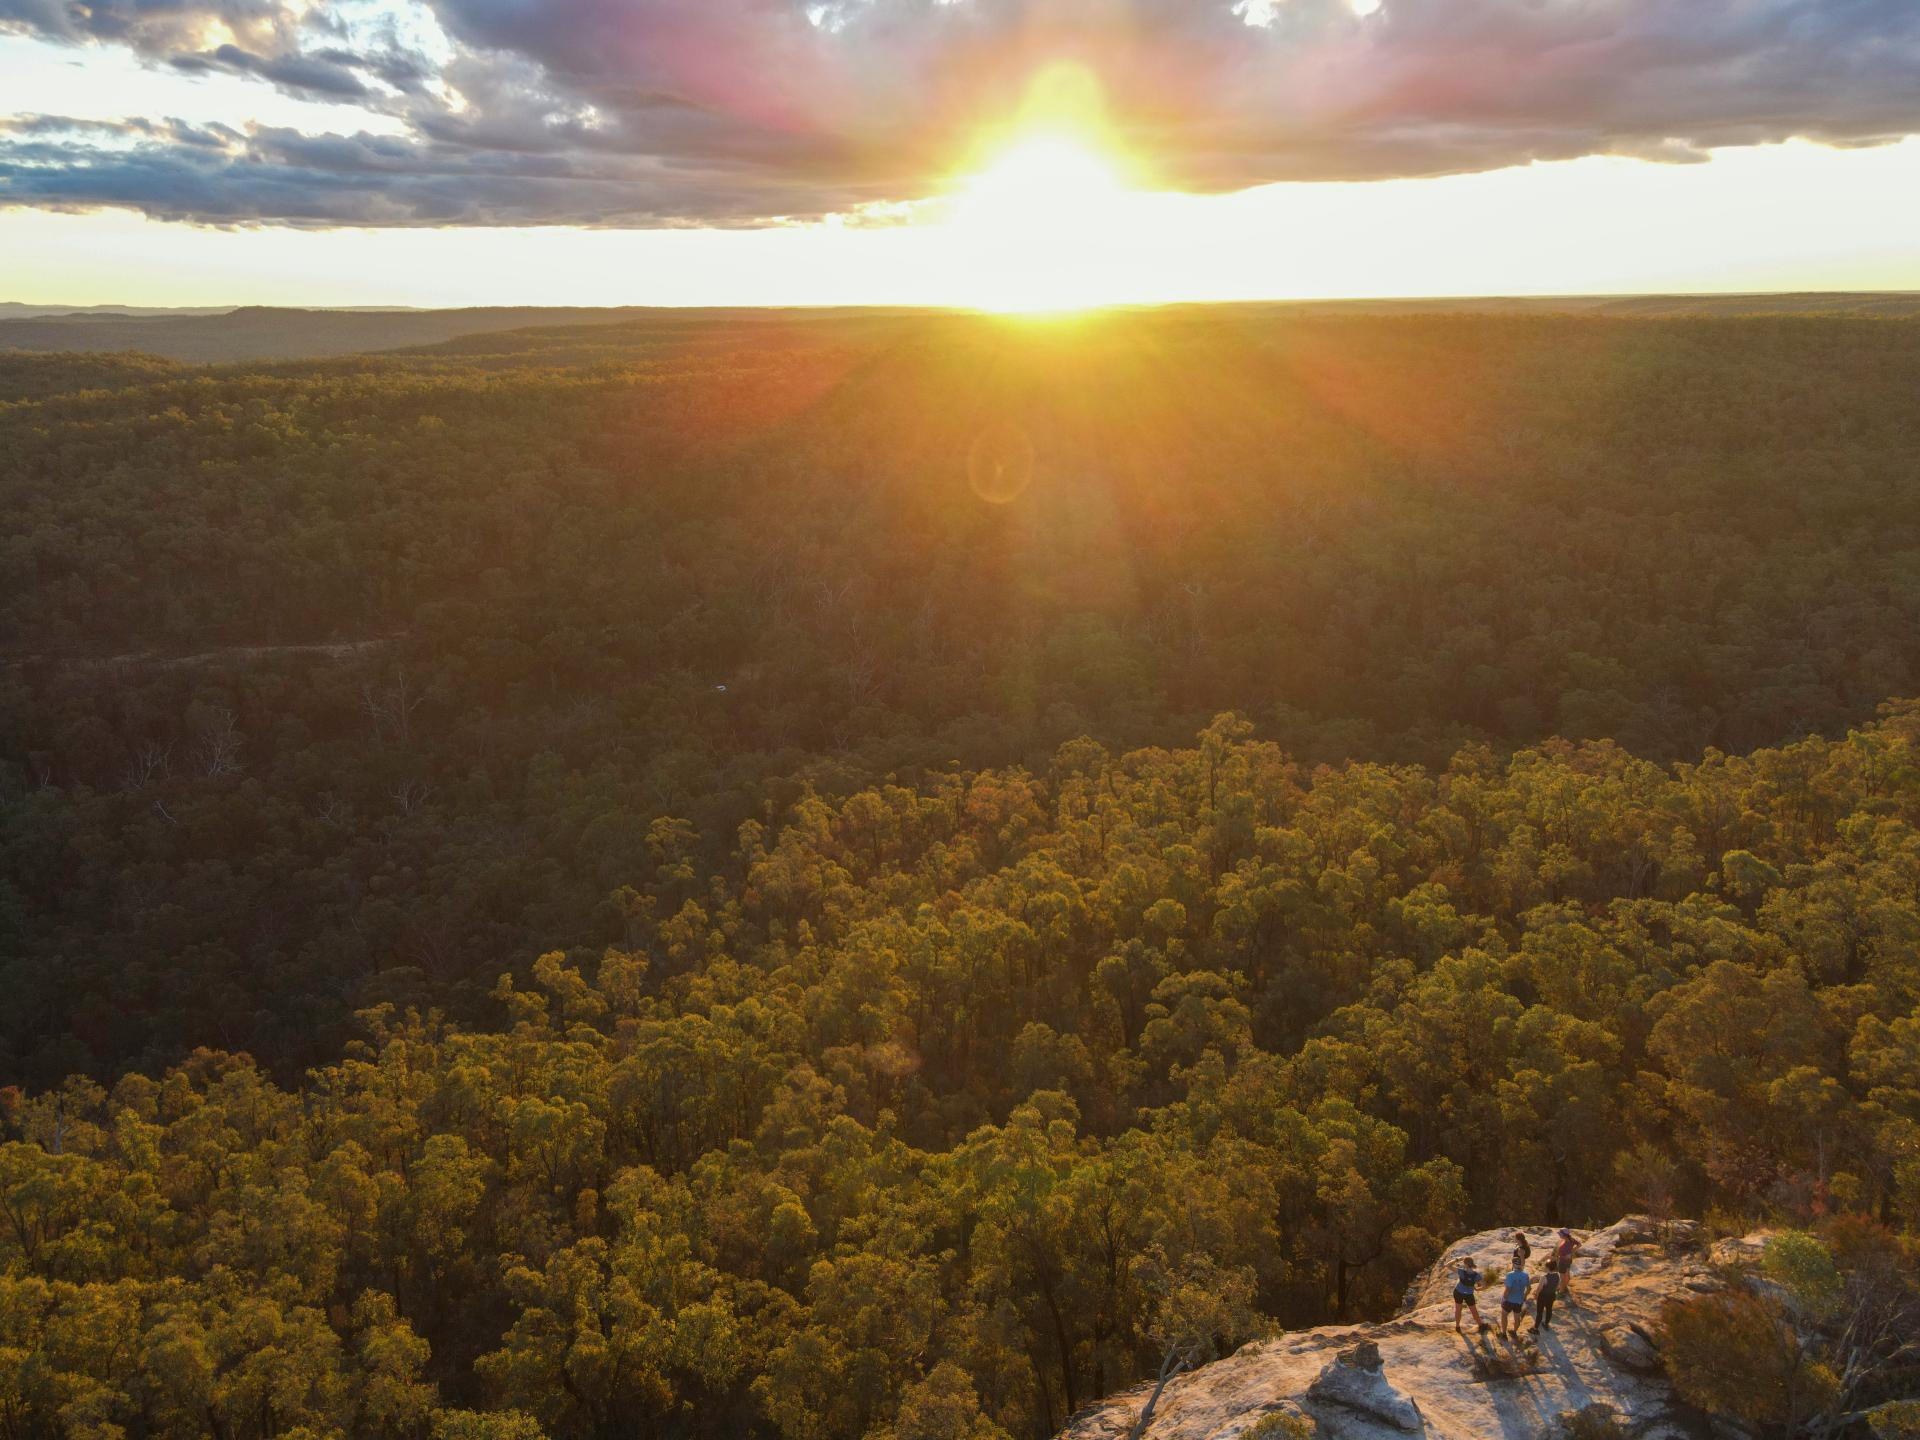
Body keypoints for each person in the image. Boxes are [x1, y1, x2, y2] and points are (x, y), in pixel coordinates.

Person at [1452, 1255, 1486, 1332]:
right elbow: (1484, 1286)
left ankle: (1457, 1326)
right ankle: (1480, 1325)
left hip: (1458, 1292)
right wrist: (1477, 1289)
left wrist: (1457, 1259)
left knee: (1458, 1310)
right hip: (1469, 1294)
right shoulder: (1476, 1275)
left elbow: (1448, 1265)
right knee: (1473, 1310)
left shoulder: (1461, 1271)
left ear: (1465, 1264)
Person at [1500, 1263, 1533, 1340]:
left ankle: (1504, 1334)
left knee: (1504, 1315)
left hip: (1509, 1300)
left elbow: (1507, 1290)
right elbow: (1529, 1288)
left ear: (1513, 1264)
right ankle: (1514, 1332)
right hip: (1519, 1300)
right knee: (1517, 1317)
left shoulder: (1510, 1275)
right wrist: (1524, 1297)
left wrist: (1503, 1298)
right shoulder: (1526, 1275)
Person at [1532, 1261, 1561, 1334]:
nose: (1544, 1267)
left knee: (1539, 1312)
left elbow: (1539, 1288)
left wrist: (1536, 1295)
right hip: (1551, 1295)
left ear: (1548, 1268)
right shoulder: (1558, 1275)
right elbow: (1558, 1287)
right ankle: (1546, 1324)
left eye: (1545, 1266)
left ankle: (1535, 1329)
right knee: (1549, 1310)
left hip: (1543, 1297)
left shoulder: (1544, 1277)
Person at [1553, 1228, 1578, 1303]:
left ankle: (1561, 1292)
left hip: (1562, 1261)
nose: (1559, 1235)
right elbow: (1579, 1244)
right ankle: (1563, 1287)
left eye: (1560, 1234)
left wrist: (1571, 1253)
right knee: (1567, 1276)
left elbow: (1579, 1245)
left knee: (1562, 1277)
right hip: (1567, 1260)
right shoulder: (1572, 1240)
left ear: (1564, 1235)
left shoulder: (1566, 1242)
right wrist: (1571, 1252)